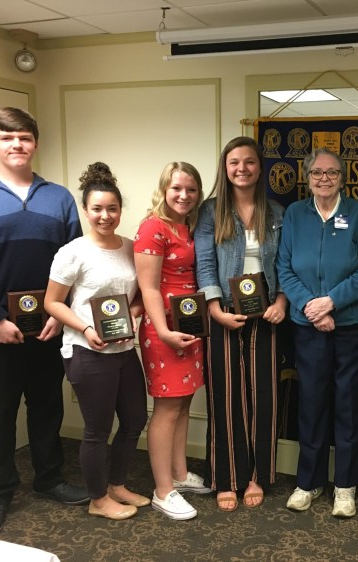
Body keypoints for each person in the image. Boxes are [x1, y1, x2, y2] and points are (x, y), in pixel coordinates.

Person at [0, 107, 89, 537]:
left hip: (49, 326)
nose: (17, 145)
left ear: (35, 143)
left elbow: (74, 263)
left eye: (25, 137)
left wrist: (62, 316)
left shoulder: (60, 197)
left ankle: (50, 478)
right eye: (7, 137)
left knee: (47, 406)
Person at [277, 147, 358, 518]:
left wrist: (331, 302)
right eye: (317, 173)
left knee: (349, 404)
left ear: (343, 177)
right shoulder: (295, 214)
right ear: (307, 177)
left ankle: (346, 486)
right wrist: (311, 308)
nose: (324, 178)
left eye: (332, 172)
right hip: (308, 327)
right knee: (311, 403)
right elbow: (284, 267)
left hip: (349, 326)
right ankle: (309, 482)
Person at [45, 162, 148, 521]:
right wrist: (87, 329)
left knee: (135, 420)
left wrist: (135, 310)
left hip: (123, 349)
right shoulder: (73, 251)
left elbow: (137, 295)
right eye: (97, 209)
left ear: (121, 210)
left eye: (112, 209)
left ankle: (117, 485)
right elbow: (52, 302)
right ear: (86, 211)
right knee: (97, 430)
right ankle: (98, 498)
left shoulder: (132, 248)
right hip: (87, 351)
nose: (105, 216)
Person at [194, 136, 286, 512]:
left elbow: (286, 264)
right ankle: (227, 478)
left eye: (249, 162)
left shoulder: (277, 211)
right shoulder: (210, 211)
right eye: (234, 162)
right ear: (225, 167)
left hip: (267, 312)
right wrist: (214, 308)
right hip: (224, 311)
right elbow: (204, 262)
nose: (242, 169)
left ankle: (256, 476)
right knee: (226, 397)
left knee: (264, 397)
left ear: (260, 167)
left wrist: (281, 301)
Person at [134, 162, 210, 521]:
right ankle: (163, 490)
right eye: (177, 188)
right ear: (164, 188)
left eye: (191, 190)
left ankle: (179, 475)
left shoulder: (188, 225)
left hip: (189, 323)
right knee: (166, 409)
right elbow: (148, 287)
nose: (184, 195)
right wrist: (163, 330)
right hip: (164, 329)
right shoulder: (152, 227)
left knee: (181, 405)